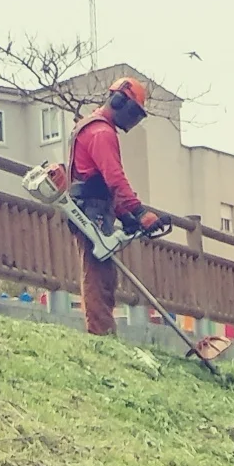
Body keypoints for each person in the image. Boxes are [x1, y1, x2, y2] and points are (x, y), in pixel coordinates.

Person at [68, 76, 166, 337]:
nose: (133, 119)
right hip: (92, 209)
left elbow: (107, 180)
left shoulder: (95, 127)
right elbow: (114, 178)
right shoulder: (101, 132)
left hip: (97, 207)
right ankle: (100, 334)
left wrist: (125, 214)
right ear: (119, 100)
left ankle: (104, 330)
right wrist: (138, 211)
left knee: (106, 274)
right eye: (133, 112)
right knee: (98, 274)